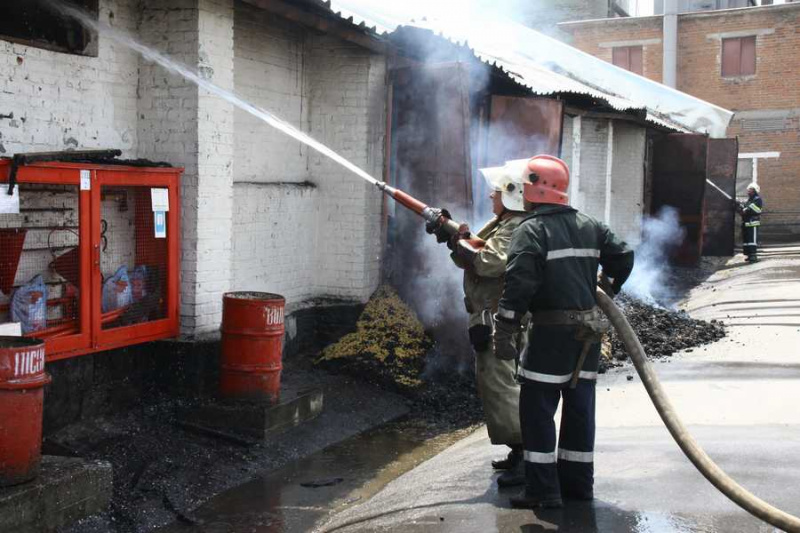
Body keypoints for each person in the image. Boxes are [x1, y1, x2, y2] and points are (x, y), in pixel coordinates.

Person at [492, 155, 634, 509]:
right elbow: (624, 256)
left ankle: (543, 492)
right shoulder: (589, 224)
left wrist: (504, 328)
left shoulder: (531, 230)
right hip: (587, 336)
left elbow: (519, 284)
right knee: (579, 410)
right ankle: (577, 487)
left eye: (524, 186)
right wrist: (607, 287)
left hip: (549, 336)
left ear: (535, 189)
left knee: (537, 411)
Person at [447, 160, 530, 487]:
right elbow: (471, 255)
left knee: (501, 384)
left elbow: (489, 262)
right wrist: (453, 236)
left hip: (500, 318)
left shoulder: (514, 226)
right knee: (497, 382)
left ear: (511, 195)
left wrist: (460, 238)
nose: (490, 197)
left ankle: (526, 454)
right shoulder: (502, 222)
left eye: (495, 192)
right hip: (489, 316)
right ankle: (517, 448)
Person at [737, 182, 763, 263]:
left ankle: (753, 256)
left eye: (750, 190)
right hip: (746, 223)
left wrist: (747, 208)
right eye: (748, 190)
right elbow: (744, 210)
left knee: (752, 240)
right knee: (747, 240)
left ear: (754, 191)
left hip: (753, 223)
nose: (748, 191)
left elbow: (757, 210)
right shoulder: (749, 200)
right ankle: (748, 255)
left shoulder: (757, 199)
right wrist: (740, 206)